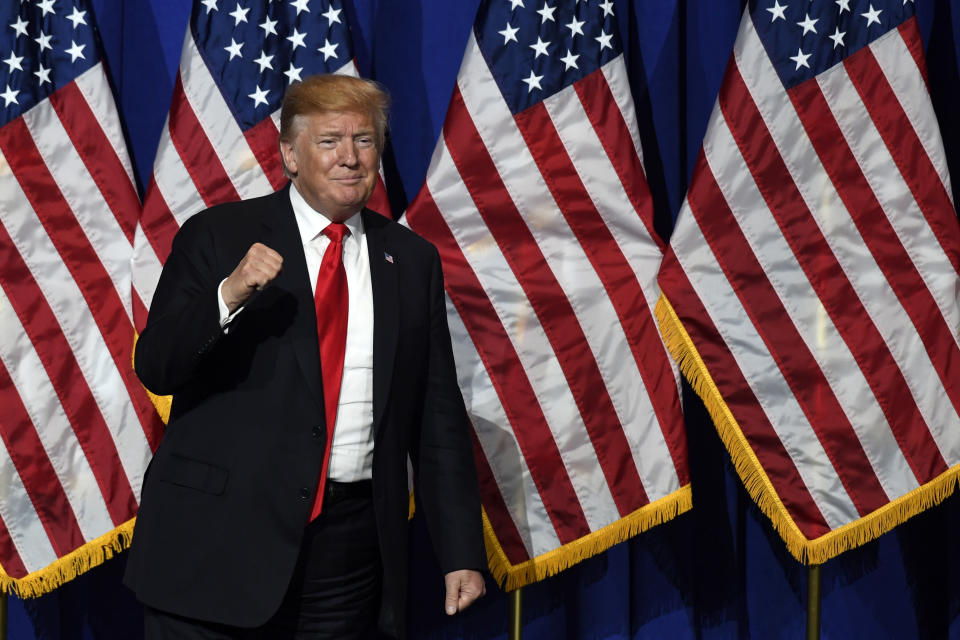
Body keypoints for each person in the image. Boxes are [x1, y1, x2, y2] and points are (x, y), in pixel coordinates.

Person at [124, 74, 486, 639]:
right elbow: (157, 367)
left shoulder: (411, 260)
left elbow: (436, 411)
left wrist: (462, 548)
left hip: (346, 560)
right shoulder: (219, 236)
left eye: (364, 141)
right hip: (215, 549)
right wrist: (230, 294)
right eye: (329, 141)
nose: (349, 157)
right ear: (289, 155)